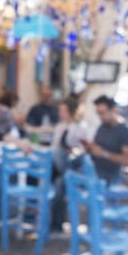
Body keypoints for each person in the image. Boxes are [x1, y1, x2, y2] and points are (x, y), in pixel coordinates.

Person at [50, 97, 90, 232]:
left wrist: (73, 151)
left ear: (72, 112)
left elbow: (84, 151)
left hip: (73, 166)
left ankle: (56, 225)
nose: (60, 113)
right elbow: (54, 147)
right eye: (60, 110)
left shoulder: (81, 128)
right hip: (57, 165)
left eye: (63, 111)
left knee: (61, 183)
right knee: (58, 165)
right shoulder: (59, 126)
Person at [83, 95, 128, 185]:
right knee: (67, 171)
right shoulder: (103, 126)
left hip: (109, 174)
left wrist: (104, 154)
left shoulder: (126, 131)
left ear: (113, 110)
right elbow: (97, 146)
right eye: (98, 113)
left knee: (70, 178)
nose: (100, 116)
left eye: (102, 113)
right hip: (94, 167)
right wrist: (90, 147)